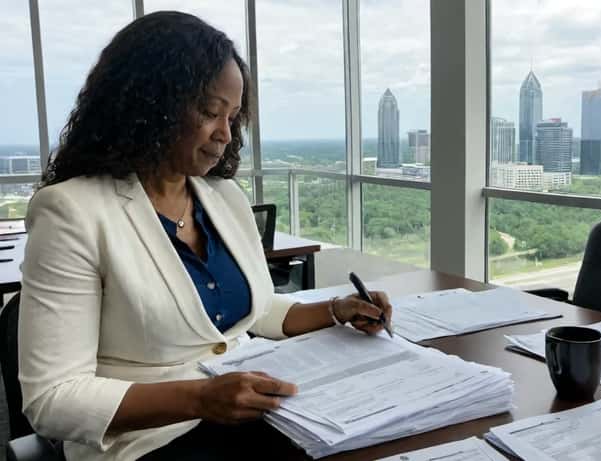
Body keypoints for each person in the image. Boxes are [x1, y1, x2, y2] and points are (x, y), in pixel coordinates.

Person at [18, 11, 392, 461]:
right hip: (147, 441)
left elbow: (245, 312)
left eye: (234, 117)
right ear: (148, 104)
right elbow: (53, 399)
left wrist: (335, 310)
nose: (225, 134)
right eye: (211, 113)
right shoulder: (71, 212)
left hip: (257, 416)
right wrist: (200, 397)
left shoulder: (223, 198)